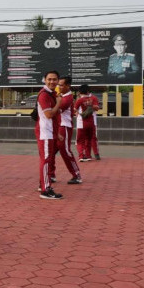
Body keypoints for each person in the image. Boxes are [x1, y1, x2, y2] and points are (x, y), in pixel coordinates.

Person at [36, 71, 63, 199]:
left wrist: (57, 133)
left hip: (50, 131)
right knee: (46, 160)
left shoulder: (52, 94)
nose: (52, 82)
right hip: (45, 131)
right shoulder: (44, 95)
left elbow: (55, 116)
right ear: (44, 80)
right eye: (49, 79)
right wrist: (59, 102)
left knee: (47, 159)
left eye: (54, 79)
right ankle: (46, 190)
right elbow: (49, 115)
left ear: (58, 81)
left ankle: (44, 185)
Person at [50, 76, 82, 185]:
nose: (59, 87)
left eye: (61, 85)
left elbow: (55, 110)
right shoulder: (61, 95)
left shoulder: (67, 98)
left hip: (65, 127)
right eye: (58, 84)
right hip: (57, 126)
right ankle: (51, 174)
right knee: (51, 150)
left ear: (68, 86)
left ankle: (76, 175)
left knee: (65, 151)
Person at [75, 84, 100, 162]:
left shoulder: (80, 100)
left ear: (80, 92)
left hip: (81, 123)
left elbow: (74, 109)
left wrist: (78, 114)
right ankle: (89, 155)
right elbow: (97, 108)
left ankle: (81, 156)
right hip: (92, 122)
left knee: (80, 140)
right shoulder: (93, 98)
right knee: (90, 139)